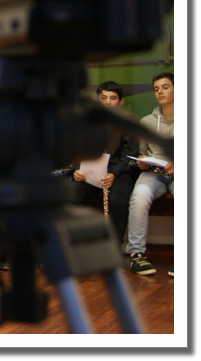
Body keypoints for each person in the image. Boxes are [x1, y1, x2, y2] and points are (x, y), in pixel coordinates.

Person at [69, 81, 139, 248]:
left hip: (118, 173)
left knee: (119, 200)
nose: (107, 102)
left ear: (120, 102)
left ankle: (114, 247)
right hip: (89, 174)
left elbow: (130, 155)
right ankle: (72, 246)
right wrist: (76, 170)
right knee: (70, 197)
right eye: (103, 98)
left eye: (113, 98)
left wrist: (113, 174)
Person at [126, 72, 174, 276]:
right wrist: (142, 161)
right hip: (154, 173)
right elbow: (141, 152)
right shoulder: (146, 121)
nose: (160, 92)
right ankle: (136, 255)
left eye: (165, 87)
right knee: (139, 196)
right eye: (156, 89)